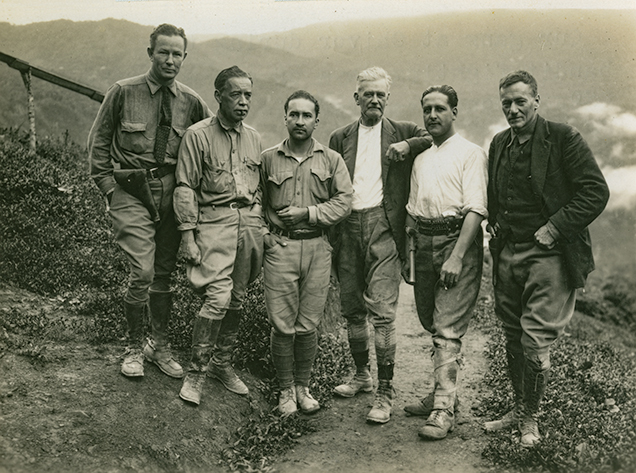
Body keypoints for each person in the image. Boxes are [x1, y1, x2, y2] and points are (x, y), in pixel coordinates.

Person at [485, 70, 609, 447]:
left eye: (520, 101)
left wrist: (554, 228)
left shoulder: (563, 138)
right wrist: (494, 226)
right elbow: (496, 194)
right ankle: (518, 408)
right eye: (506, 102)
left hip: (549, 256)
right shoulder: (499, 143)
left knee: (535, 343)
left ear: (537, 100)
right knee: (511, 334)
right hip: (508, 253)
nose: (513, 109)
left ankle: (530, 418)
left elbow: (595, 192)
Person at [88, 24, 210, 379]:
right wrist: (109, 189)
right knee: (141, 270)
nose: (170, 60)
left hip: (173, 192)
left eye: (177, 54)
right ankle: (133, 346)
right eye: (163, 52)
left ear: (184, 57)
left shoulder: (191, 101)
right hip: (130, 189)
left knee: (163, 273)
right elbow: (98, 144)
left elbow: (209, 144)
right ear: (150, 53)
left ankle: (159, 346)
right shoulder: (123, 92)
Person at [329, 67, 432, 424]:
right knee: (352, 309)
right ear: (356, 97)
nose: (374, 100)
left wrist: (407, 145)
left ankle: (385, 391)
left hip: (385, 228)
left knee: (384, 313)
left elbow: (432, 137)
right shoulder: (340, 137)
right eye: (367, 94)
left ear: (388, 98)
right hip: (347, 228)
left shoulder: (403, 131)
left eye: (380, 95)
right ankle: (361, 374)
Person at [401, 85, 488, 440]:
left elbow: (476, 209)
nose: (432, 115)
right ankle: (442, 391)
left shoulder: (471, 153)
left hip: (457, 241)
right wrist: (410, 255)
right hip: (424, 241)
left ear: (455, 112)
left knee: (447, 328)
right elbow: (411, 210)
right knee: (429, 319)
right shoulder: (421, 159)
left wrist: (456, 255)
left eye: (440, 108)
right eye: (427, 109)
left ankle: (443, 409)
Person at [174, 66, 263, 406]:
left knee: (237, 299)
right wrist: (188, 236)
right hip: (213, 223)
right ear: (219, 96)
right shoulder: (198, 136)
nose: (243, 102)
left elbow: (260, 190)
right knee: (218, 298)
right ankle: (196, 372)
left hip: (248, 226)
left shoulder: (253, 137)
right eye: (236, 95)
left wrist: (260, 225)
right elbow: (185, 187)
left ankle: (221, 364)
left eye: (248, 96)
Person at [261, 90, 353, 415]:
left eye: (306, 115)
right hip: (280, 247)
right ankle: (285, 390)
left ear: (317, 120)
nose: (300, 121)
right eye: (294, 115)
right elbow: (255, 202)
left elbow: (344, 201)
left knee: (308, 324)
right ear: (285, 117)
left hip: (317, 246)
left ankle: (303, 386)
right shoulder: (268, 158)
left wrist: (309, 214)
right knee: (282, 324)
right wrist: (265, 237)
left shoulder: (331, 159)